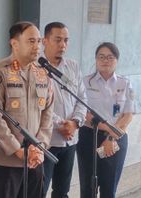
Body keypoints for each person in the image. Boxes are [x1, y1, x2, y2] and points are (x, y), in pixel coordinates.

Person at [0, 21, 54, 198]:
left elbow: (48, 114)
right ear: (14, 43)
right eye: (31, 41)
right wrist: (18, 150)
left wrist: (40, 146)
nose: (37, 46)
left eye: (39, 41)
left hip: (35, 161)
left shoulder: (42, 73)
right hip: (5, 163)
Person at [76, 42, 135, 198]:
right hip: (89, 137)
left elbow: (128, 115)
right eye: (101, 57)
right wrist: (109, 129)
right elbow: (84, 113)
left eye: (110, 57)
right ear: (95, 59)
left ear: (116, 60)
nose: (105, 61)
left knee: (109, 190)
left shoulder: (125, 83)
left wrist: (110, 137)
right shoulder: (85, 82)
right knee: (88, 189)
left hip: (116, 140)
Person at [41, 22, 86, 198]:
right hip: (47, 141)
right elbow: (38, 105)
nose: (63, 45)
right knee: (39, 190)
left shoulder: (73, 66)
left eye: (66, 40)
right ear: (45, 41)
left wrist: (74, 123)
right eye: (57, 40)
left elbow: (82, 97)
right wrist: (61, 125)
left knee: (62, 191)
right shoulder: (36, 68)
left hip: (70, 141)